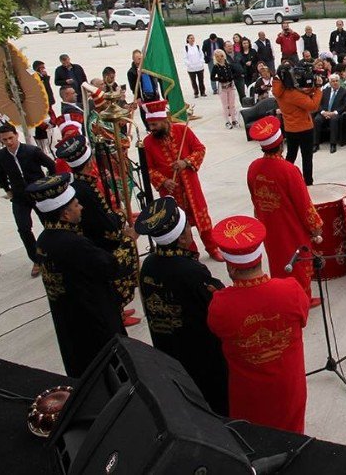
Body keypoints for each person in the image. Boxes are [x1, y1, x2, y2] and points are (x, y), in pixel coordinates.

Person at [207, 215, 310, 434]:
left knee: (254, 440)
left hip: (249, 395)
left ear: (232, 268)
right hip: (289, 387)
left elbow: (217, 331)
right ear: (260, 258)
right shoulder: (291, 290)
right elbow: (303, 319)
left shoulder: (221, 305)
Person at [135, 197, 228, 415]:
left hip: (168, 353)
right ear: (182, 238)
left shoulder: (148, 265)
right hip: (200, 355)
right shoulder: (191, 271)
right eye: (187, 228)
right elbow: (215, 305)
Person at [27, 174, 125, 377]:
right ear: (65, 214)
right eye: (76, 205)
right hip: (94, 325)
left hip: (69, 324)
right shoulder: (74, 244)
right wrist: (128, 242)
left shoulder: (44, 240)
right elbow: (111, 267)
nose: (80, 208)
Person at [55, 135, 141, 327]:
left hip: (95, 236)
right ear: (90, 161)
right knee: (117, 271)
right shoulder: (84, 188)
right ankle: (117, 311)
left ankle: (118, 309)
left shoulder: (80, 183)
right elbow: (101, 223)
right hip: (100, 241)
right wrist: (121, 220)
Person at [246, 116, 324, 304]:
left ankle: (282, 296)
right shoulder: (289, 170)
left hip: (268, 224)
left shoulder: (253, 167)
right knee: (297, 261)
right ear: (281, 144)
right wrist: (315, 226)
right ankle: (301, 300)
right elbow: (304, 204)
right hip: (291, 227)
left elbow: (254, 197)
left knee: (277, 259)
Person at [141, 100, 221, 260]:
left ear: (165, 120)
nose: (152, 129)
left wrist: (186, 162)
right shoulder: (148, 143)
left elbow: (200, 149)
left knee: (202, 219)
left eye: (155, 124)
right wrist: (163, 181)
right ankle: (191, 254)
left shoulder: (182, 130)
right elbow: (148, 169)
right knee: (178, 224)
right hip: (170, 190)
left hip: (191, 186)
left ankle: (212, 248)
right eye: (150, 125)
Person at [0, 124, 55, 276]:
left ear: (16, 135)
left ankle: (54, 252)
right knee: (23, 228)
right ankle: (36, 259)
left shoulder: (31, 151)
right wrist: (8, 191)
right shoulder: (1, 156)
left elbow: (51, 165)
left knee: (49, 223)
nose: (8, 142)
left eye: (10, 138)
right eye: (5, 140)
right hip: (19, 196)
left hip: (38, 193)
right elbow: (0, 176)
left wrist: (48, 184)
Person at [272, 63, 322, 185]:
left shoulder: (280, 90)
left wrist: (311, 88)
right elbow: (312, 105)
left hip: (290, 128)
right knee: (307, 157)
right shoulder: (292, 94)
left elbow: (301, 93)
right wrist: (319, 89)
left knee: (291, 155)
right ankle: (308, 183)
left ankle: (284, 178)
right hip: (304, 128)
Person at [312, 73, 346, 154]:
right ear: (330, 83)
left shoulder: (344, 92)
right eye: (333, 81)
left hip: (336, 113)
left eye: (337, 81)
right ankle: (315, 143)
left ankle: (333, 144)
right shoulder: (324, 91)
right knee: (317, 119)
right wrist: (323, 112)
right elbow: (318, 103)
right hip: (324, 112)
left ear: (339, 82)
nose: (335, 83)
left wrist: (334, 113)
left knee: (334, 120)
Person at [211, 50, 238, 129]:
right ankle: (227, 121)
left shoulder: (228, 64)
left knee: (232, 104)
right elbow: (212, 77)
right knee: (225, 105)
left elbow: (235, 72)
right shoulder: (216, 66)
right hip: (222, 87)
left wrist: (232, 77)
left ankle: (234, 120)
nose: (220, 58)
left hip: (230, 86)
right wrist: (220, 78)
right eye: (217, 57)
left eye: (221, 56)